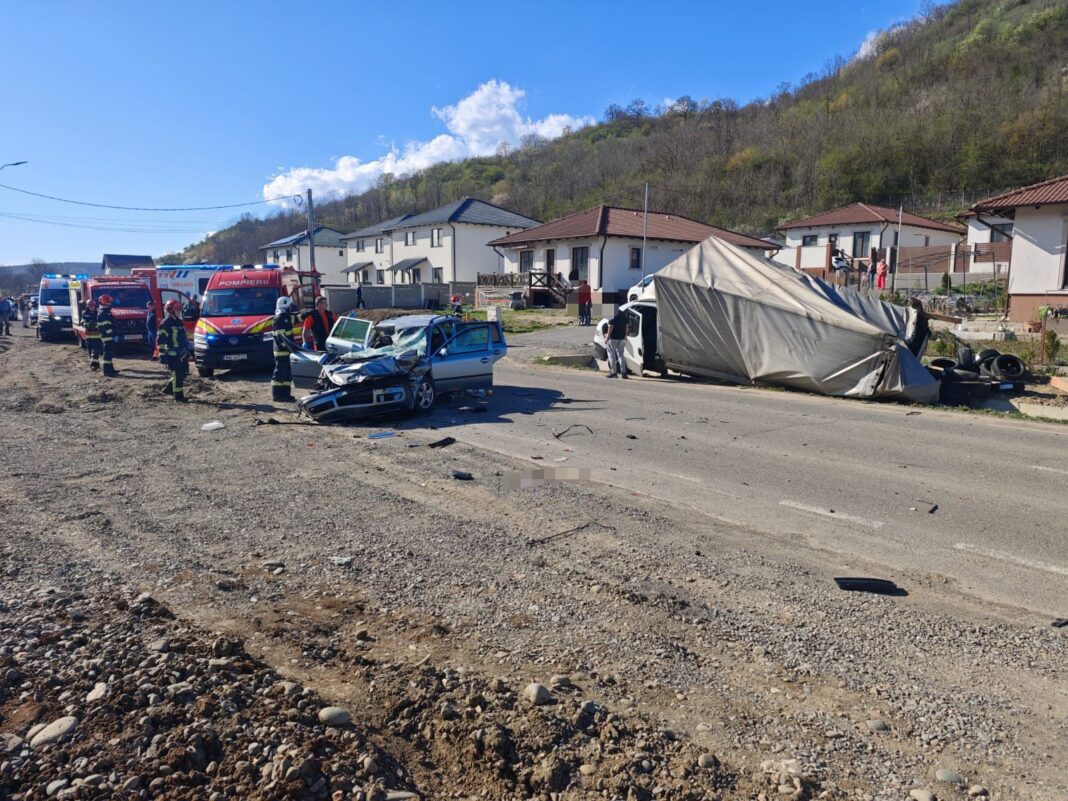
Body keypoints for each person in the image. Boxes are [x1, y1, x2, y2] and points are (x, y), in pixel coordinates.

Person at [157, 300, 190, 403]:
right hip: (172, 354)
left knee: (184, 372)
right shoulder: (165, 323)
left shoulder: (179, 322)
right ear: (170, 310)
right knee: (177, 374)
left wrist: (189, 350)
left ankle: (168, 389)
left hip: (182, 353)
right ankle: (178, 396)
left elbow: (183, 338)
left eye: (179, 310)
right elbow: (161, 340)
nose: (179, 312)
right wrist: (162, 354)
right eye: (177, 310)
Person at [271, 296, 298, 402]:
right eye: (289, 306)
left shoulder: (285, 317)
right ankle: (277, 395)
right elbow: (280, 337)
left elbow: (297, 318)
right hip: (281, 352)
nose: (290, 308)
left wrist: (309, 312)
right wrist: (287, 347)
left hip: (287, 351)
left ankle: (286, 395)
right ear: (283, 306)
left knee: (287, 375)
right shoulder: (279, 319)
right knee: (280, 374)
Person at [97, 294, 119, 377]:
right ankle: (107, 371)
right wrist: (112, 334)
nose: (110, 303)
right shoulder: (103, 313)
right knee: (107, 354)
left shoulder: (105, 312)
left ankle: (111, 369)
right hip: (107, 336)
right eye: (109, 301)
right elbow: (106, 326)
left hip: (108, 336)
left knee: (110, 353)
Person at [605, 305, 629, 379]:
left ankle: (614, 372)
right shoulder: (623, 314)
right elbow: (627, 326)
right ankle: (624, 373)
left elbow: (611, 326)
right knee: (621, 355)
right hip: (622, 338)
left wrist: (607, 337)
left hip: (613, 338)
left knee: (611, 354)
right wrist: (625, 335)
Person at [83, 299, 102, 371]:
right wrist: (87, 324)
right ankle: (96, 364)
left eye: (93, 306)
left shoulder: (98, 313)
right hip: (88, 337)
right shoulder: (85, 313)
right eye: (90, 306)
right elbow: (82, 322)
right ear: (88, 306)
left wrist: (94, 325)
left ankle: (93, 365)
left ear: (95, 306)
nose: (92, 307)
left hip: (97, 336)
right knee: (90, 352)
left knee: (95, 351)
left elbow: (100, 323)